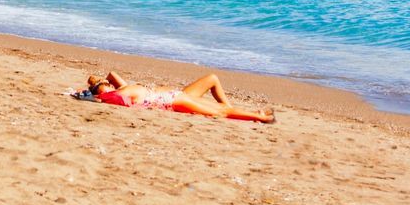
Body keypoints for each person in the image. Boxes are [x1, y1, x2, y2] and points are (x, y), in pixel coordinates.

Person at [82, 70, 273, 123]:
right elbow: (100, 96)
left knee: (212, 79)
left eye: (105, 88)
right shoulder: (116, 95)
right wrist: (91, 93)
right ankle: (258, 116)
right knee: (221, 112)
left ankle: (233, 110)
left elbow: (111, 75)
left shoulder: (122, 89)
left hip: (177, 94)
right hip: (173, 101)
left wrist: (94, 87)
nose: (106, 92)